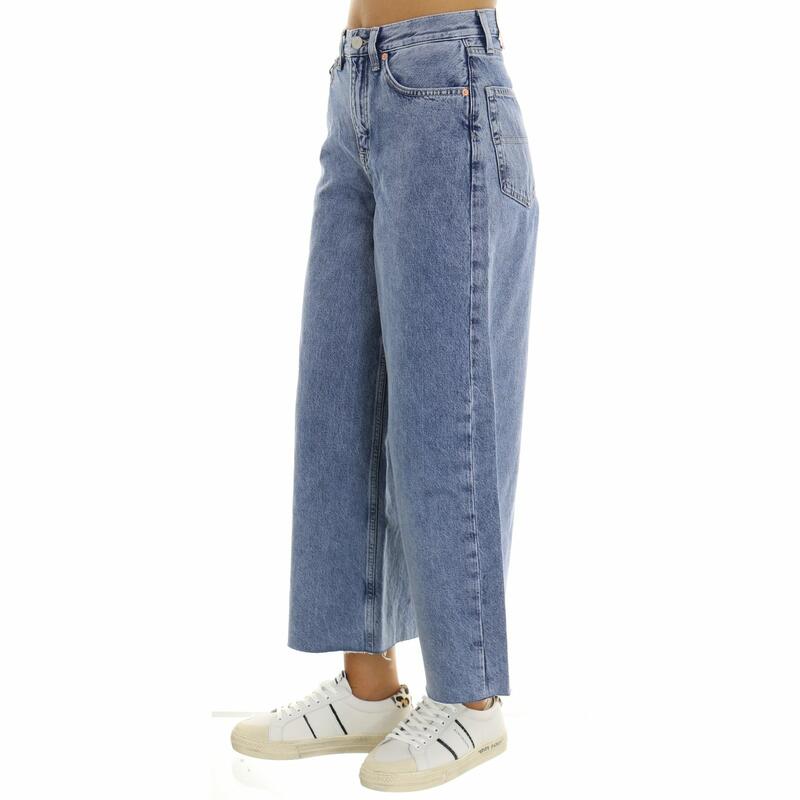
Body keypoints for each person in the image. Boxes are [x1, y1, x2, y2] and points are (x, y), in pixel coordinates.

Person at [232, 0, 538, 790]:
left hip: (445, 80)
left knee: (443, 413)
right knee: (339, 403)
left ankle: (471, 699)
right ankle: (368, 690)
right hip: (356, 83)